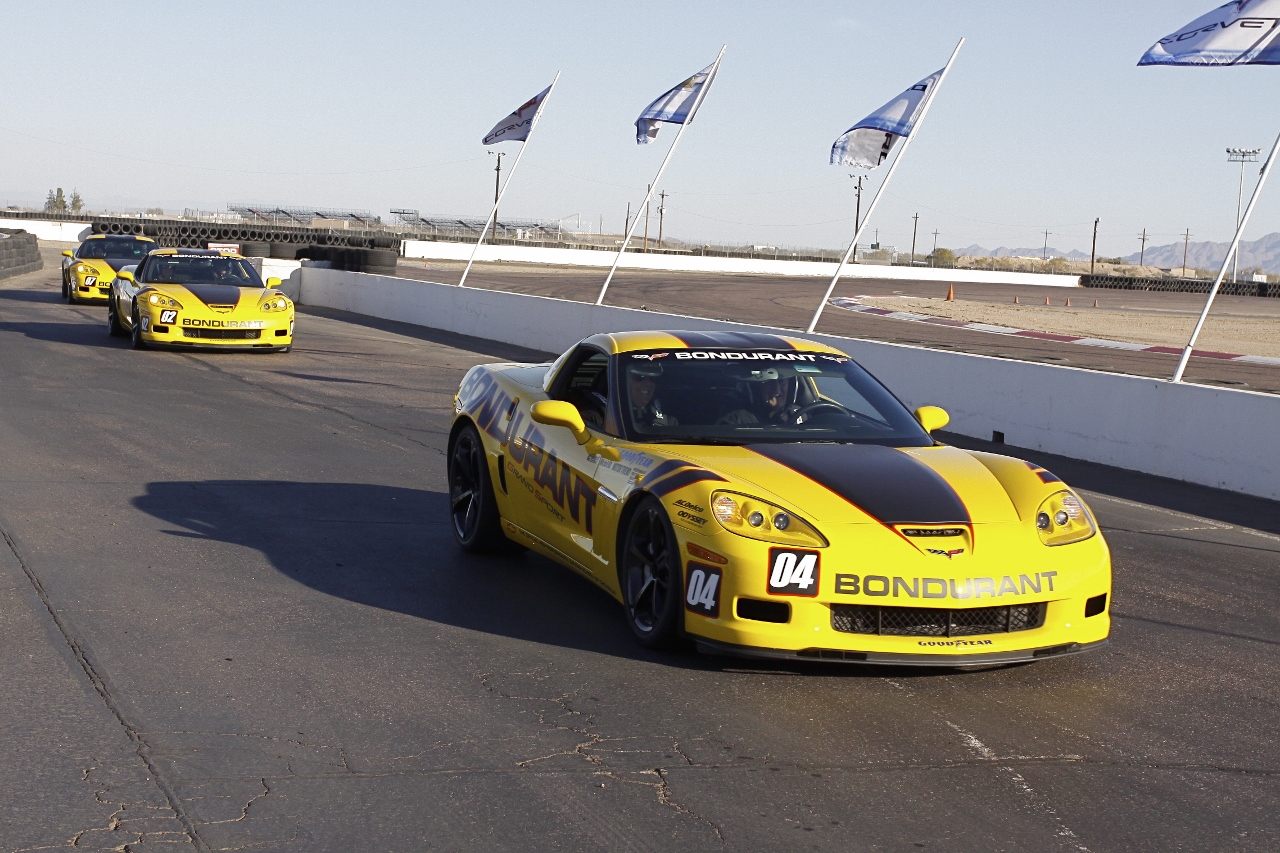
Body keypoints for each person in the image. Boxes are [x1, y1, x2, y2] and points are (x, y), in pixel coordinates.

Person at [717, 368, 800, 425]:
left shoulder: (799, 414)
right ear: (756, 387)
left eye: (782, 382)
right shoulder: (736, 419)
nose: (777, 390)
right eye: (769, 382)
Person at [626, 362, 677, 427]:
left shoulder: (668, 418)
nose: (647, 383)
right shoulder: (614, 414)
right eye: (639, 377)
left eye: (652, 378)